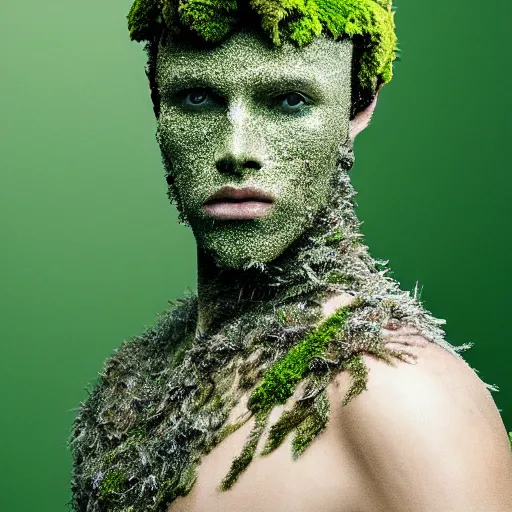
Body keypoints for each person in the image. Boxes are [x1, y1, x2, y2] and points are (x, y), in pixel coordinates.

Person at [67, 0, 512, 510]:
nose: (236, 149)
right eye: (196, 98)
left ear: (358, 105)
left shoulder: (401, 398)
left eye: (289, 101)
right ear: (157, 105)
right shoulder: (130, 387)